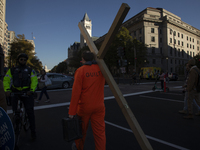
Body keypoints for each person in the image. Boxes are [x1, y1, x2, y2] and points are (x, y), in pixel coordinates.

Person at [68, 51, 106, 150]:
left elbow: (76, 93)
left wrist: (72, 111)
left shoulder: (81, 71)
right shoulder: (101, 69)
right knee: (100, 133)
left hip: (84, 107)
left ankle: (79, 147)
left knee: (81, 132)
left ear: (83, 59)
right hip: (99, 106)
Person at [3, 53, 38, 139]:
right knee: (15, 111)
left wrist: (31, 90)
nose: (23, 61)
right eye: (21, 59)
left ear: (26, 61)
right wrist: (7, 90)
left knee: (30, 112)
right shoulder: (12, 70)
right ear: (18, 60)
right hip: (15, 92)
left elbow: (34, 80)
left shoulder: (30, 70)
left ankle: (33, 131)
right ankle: (16, 123)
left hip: (27, 93)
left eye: (24, 59)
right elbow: (6, 80)